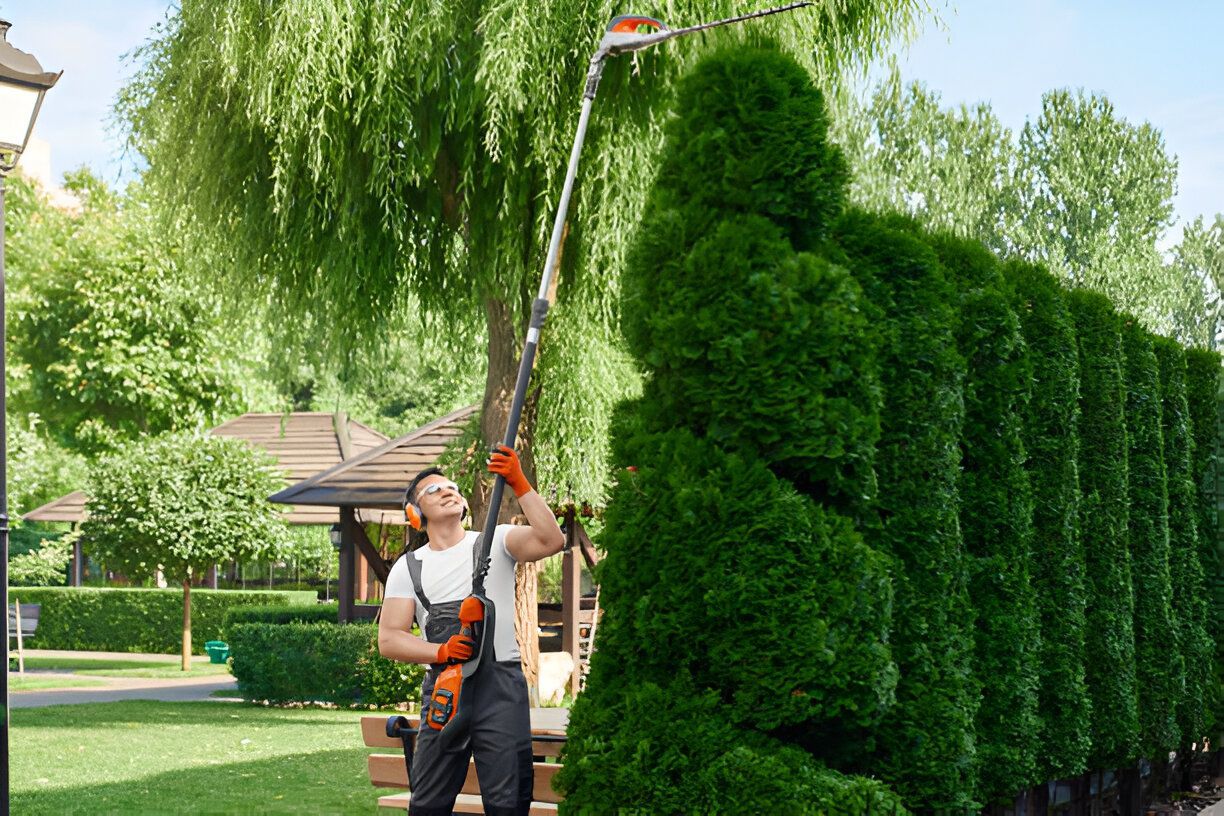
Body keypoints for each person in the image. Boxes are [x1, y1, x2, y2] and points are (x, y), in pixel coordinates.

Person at [378, 445, 565, 816]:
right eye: (434, 490)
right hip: (447, 688)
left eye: (452, 486)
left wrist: (518, 481)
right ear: (415, 515)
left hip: (500, 689)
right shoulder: (408, 567)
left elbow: (551, 540)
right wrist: (441, 652)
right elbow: (389, 639)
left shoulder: (497, 541)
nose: (448, 490)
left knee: (508, 801)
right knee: (428, 802)